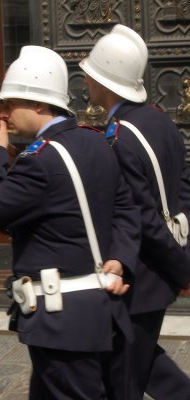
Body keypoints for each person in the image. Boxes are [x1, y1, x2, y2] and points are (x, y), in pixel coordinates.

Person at [0, 45, 141, 400]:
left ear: (38, 104)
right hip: (96, 310)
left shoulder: (39, 160)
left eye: (10, 102)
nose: (3, 112)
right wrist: (122, 256)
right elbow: (127, 208)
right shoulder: (96, 142)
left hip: (62, 319)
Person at [79, 24, 190, 400]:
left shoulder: (119, 137)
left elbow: (140, 217)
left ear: (105, 82)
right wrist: (182, 247)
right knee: (143, 363)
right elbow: (182, 193)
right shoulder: (160, 119)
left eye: (92, 75)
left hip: (139, 279)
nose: (87, 81)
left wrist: (182, 268)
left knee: (124, 379)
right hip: (159, 273)